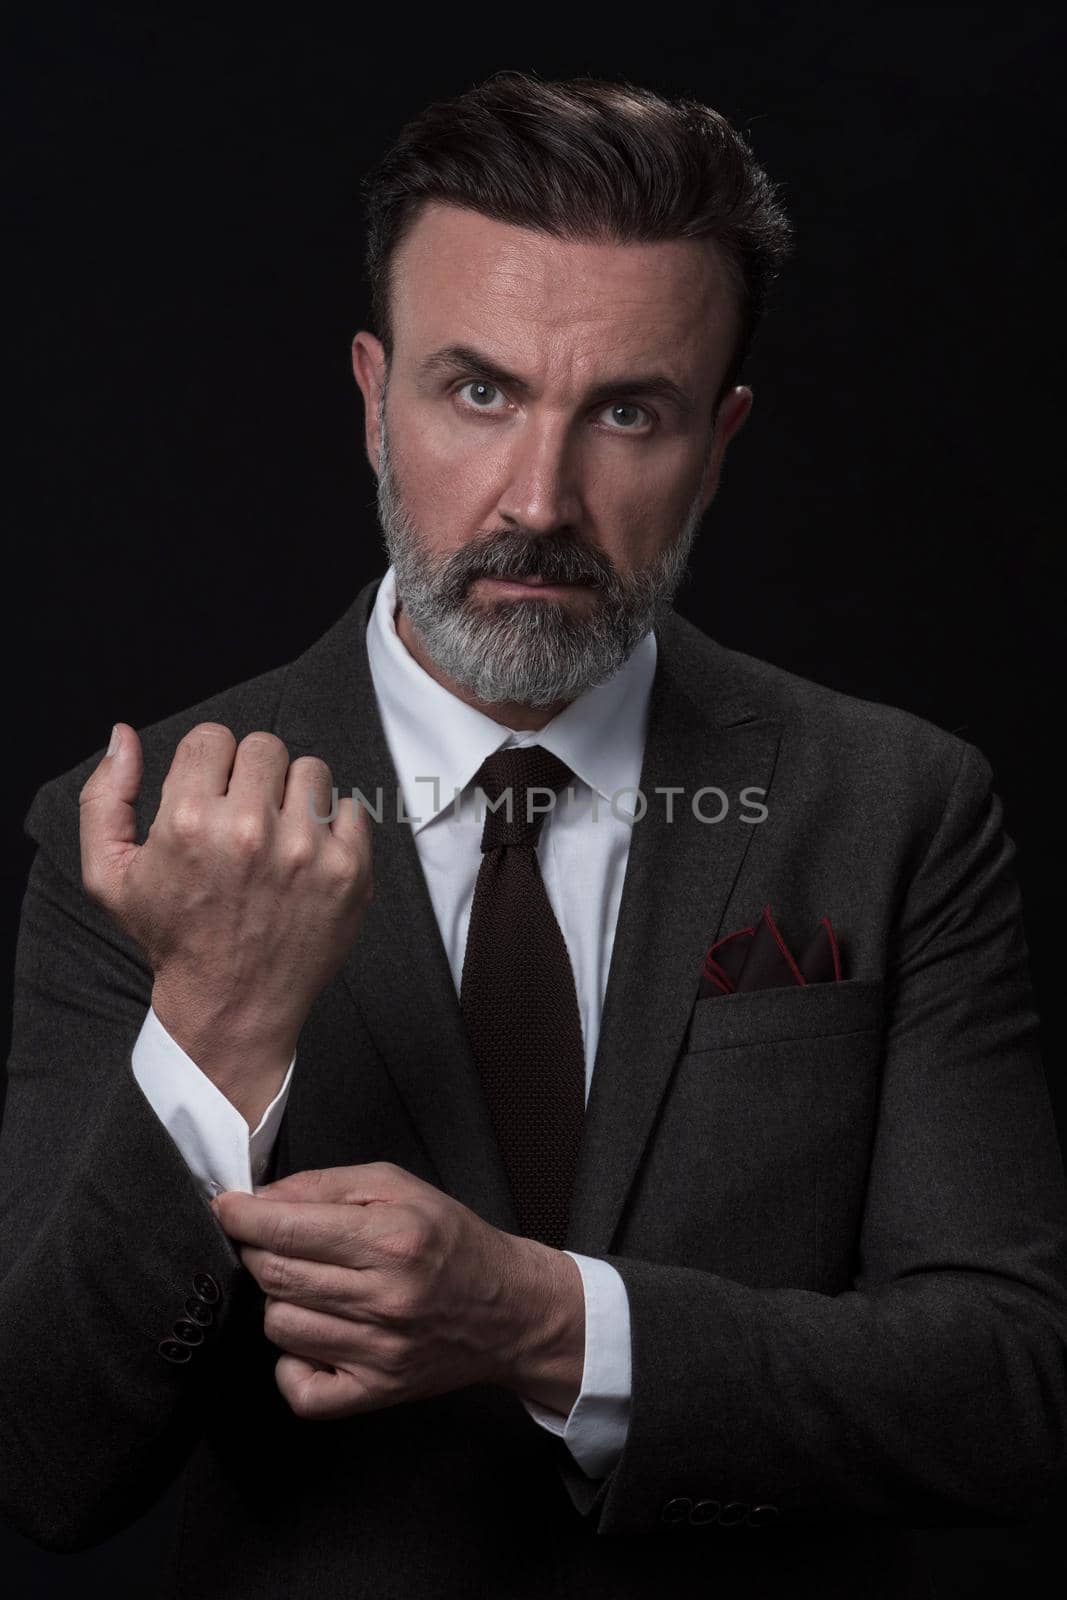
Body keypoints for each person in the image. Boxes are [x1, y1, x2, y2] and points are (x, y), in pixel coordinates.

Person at [2, 68, 1065, 1600]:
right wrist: (215, 1023)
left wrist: (543, 1320)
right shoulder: (140, 823)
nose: (540, 499)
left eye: (627, 411)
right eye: (479, 390)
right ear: (375, 398)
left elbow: (1018, 1389)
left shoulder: (900, 804)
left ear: (719, 437)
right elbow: (43, 1465)